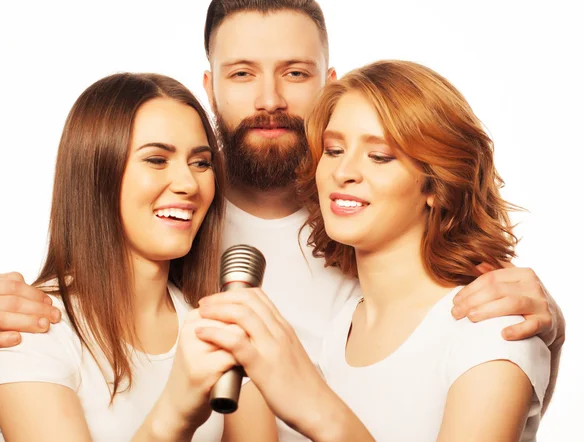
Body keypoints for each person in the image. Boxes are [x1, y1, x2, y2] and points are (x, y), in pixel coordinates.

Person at [0, 1, 565, 440]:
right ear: (211, 86)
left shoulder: (363, 243)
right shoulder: (187, 264)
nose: (269, 99)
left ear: (327, 85)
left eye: (293, 73)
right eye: (241, 74)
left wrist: (547, 334)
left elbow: (472, 350)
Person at [195, 60, 552, 441]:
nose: (343, 171)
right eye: (333, 150)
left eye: (379, 156)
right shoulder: (345, 328)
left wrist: (312, 405)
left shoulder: (491, 329)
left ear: (435, 183)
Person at [0, 72, 274, 442]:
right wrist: (176, 410)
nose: (188, 183)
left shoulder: (219, 328)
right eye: (156, 159)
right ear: (96, 172)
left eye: (201, 163)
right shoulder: (30, 328)